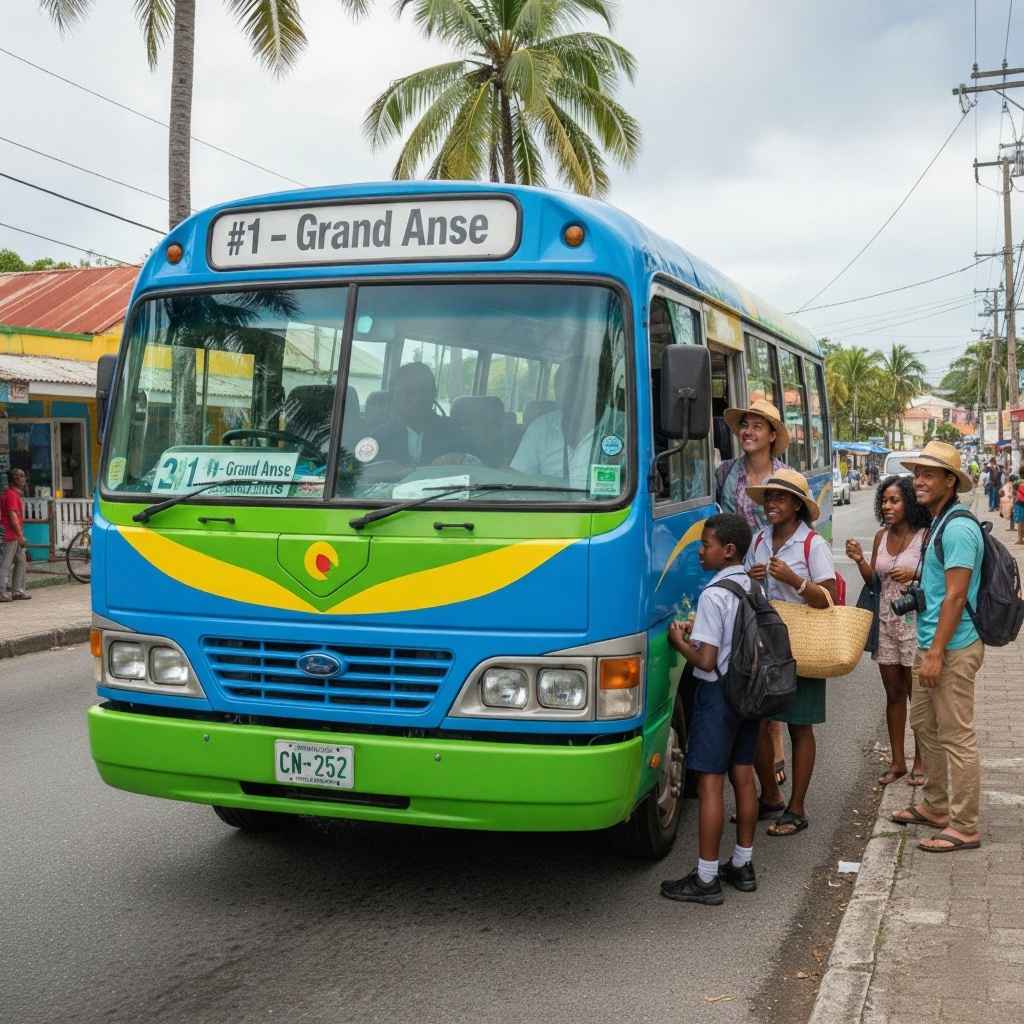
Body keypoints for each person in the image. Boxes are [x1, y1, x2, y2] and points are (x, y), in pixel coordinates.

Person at [890, 441, 984, 853]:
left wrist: (935, 653)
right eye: (917, 473)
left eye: (930, 474)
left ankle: (964, 826)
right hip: (931, 644)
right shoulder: (938, 523)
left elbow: (956, 597)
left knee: (956, 737)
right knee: (924, 728)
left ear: (950, 480)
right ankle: (936, 806)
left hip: (952, 648)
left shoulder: (960, 528)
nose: (920, 480)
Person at [660, 513, 759, 905]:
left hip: (718, 696)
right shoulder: (751, 584)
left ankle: (705, 878)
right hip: (749, 694)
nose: (700, 551)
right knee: (744, 777)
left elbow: (705, 660)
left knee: (711, 783)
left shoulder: (714, 594)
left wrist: (678, 641)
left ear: (727, 550)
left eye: (706, 545)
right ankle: (743, 864)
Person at [743, 467, 838, 836]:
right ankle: (770, 797)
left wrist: (794, 580)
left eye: (779, 498)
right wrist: (751, 579)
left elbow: (828, 598)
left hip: (803, 645)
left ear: (797, 506)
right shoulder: (758, 540)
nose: (771, 504)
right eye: (768, 498)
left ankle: (796, 808)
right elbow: (749, 587)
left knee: (800, 726)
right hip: (765, 643)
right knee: (758, 722)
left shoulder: (812, 544)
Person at [715, 398, 790, 793]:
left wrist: (774, 564)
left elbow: (797, 533)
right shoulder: (726, 473)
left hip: (775, 587)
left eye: (757, 426)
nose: (748, 432)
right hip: (735, 585)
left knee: (768, 669)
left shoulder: (785, 477)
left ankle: (774, 754)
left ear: (772, 436)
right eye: (744, 425)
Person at [847, 476, 930, 787]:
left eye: (894, 500)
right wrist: (858, 560)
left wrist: (914, 572)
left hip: (915, 623)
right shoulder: (881, 536)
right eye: (884, 500)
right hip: (885, 623)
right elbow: (873, 582)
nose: (887, 506)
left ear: (908, 502)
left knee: (917, 697)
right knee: (893, 694)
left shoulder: (925, 536)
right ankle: (898, 762)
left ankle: (921, 761)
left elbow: (937, 575)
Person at [376, 362, 478, 466]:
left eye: (424, 391)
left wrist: (462, 459)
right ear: (394, 397)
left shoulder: (454, 431)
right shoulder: (379, 438)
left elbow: (478, 470)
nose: (418, 399)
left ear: (434, 394)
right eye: (409, 392)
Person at [0, 468, 30, 602]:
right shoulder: (11, 495)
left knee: (21, 561)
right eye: (21, 476)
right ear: (15, 479)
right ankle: (1, 592)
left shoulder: (11, 494)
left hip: (13, 535)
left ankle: (17, 591)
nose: (24, 479)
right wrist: (20, 535)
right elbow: (13, 517)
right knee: (5, 564)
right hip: (11, 535)